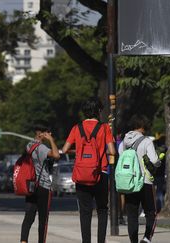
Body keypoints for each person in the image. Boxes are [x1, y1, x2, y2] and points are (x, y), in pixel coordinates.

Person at [62, 98, 116, 243]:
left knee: (85, 212)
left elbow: (65, 149)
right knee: (102, 210)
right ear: (98, 111)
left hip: (81, 175)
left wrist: (79, 151)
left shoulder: (76, 128)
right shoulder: (104, 128)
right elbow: (112, 151)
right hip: (101, 173)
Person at [118, 115, 161, 243]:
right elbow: (154, 160)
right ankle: (147, 238)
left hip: (130, 182)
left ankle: (133, 241)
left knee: (132, 215)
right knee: (151, 212)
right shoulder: (147, 141)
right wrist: (158, 161)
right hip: (145, 181)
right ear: (144, 126)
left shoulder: (125, 140)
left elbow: (121, 155)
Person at [20, 124, 60, 243]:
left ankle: (23, 241)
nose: (49, 134)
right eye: (47, 132)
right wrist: (51, 140)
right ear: (40, 133)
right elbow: (56, 155)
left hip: (31, 185)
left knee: (28, 216)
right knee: (43, 220)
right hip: (43, 186)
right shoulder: (42, 148)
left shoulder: (28, 145)